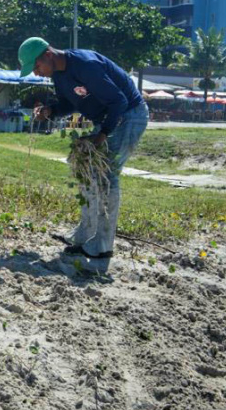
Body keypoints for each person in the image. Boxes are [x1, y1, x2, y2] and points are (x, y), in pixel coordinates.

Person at [19, 37, 148, 260]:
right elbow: (70, 103)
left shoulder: (86, 65)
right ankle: (85, 233)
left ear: (48, 54)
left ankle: (103, 244)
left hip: (128, 116)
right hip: (106, 119)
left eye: (37, 67)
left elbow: (119, 101)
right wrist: (50, 111)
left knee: (107, 175)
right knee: (86, 172)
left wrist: (103, 133)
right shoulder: (58, 76)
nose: (37, 73)